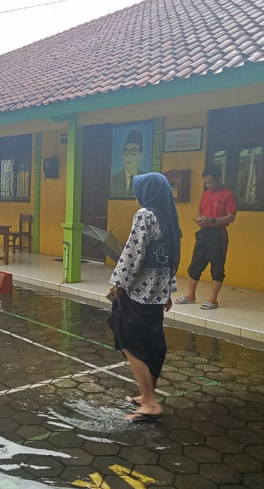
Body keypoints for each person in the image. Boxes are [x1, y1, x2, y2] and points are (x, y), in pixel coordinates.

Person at [107, 172, 181, 423]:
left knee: (130, 343)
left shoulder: (144, 215)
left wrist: (118, 282)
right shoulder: (167, 217)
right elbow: (170, 258)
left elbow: (133, 253)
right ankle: (146, 394)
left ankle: (150, 403)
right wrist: (168, 291)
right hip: (156, 295)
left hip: (138, 293)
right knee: (151, 344)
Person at [175, 165, 237, 310]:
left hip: (218, 233)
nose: (208, 185)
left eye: (210, 182)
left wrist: (213, 220)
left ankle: (213, 300)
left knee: (217, 266)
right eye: (206, 182)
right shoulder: (206, 194)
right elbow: (200, 211)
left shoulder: (227, 194)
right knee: (195, 263)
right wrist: (199, 219)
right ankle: (191, 295)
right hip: (204, 233)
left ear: (218, 179)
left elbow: (231, 217)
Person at [110, 130, 145, 197]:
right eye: (126, 151)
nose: (129, 156)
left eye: (133, 151)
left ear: (140, 156)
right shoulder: (114, 180)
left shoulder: (145, 179)